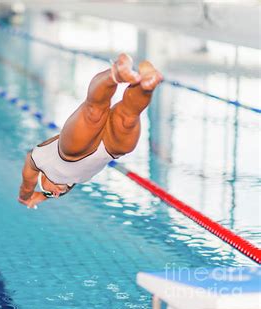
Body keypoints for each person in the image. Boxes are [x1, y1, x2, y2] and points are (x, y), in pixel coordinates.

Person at [18, 53, 163, 209]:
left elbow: (27, 186)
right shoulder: (73, 179)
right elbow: (55, 189)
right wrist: (44, 196)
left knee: (94, 113)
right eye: (59, 194)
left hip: (70, 152)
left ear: (42, 176)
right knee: (128, 119)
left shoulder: (38, 161)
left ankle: (116, 74)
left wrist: (26, 197)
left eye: (49, 193)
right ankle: (146, 85)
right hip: (110, 150)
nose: (57, 194)